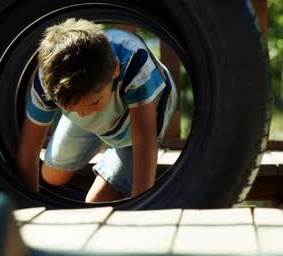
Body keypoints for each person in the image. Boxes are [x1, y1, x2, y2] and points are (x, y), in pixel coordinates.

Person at [16, 18, 177, 203]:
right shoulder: (48, 81)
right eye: (69, 107)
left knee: (96, 202)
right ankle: (99, 132)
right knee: (52, 175)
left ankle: (113, 149)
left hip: (136, 121)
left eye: (92, 104)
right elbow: (29, 151)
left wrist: (141, 205)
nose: (84, 112)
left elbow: (145, 140)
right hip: (92, 106)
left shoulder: (135, 65)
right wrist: (29, 205)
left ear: (115, 70)